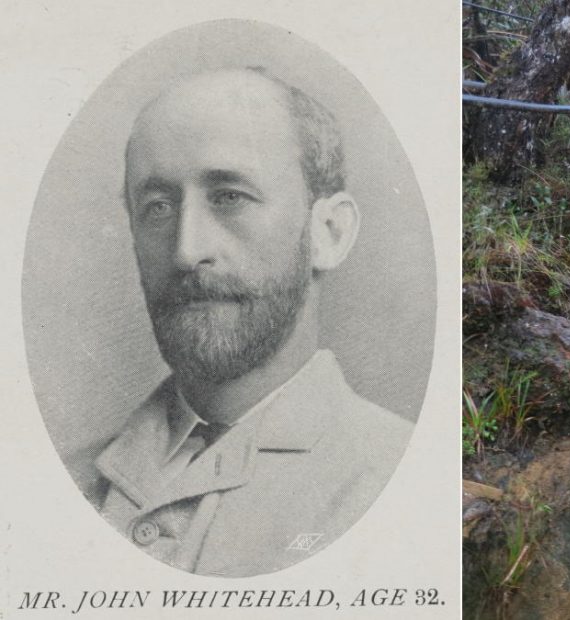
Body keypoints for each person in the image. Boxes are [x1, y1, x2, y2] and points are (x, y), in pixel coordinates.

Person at [88, 68, 413, 576]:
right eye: (156, 206)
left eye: (229, 197)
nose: (186, 250)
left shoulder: (404, 483)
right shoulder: (62, 478)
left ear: (328, 231)